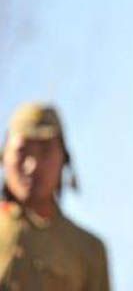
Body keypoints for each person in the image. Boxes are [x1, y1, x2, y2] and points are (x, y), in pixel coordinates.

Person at [0, 102, 110, 290]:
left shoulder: (88, 250)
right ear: (4, 157)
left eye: (45, 152)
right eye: (22, 151)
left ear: (64, 160)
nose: (32, 166)